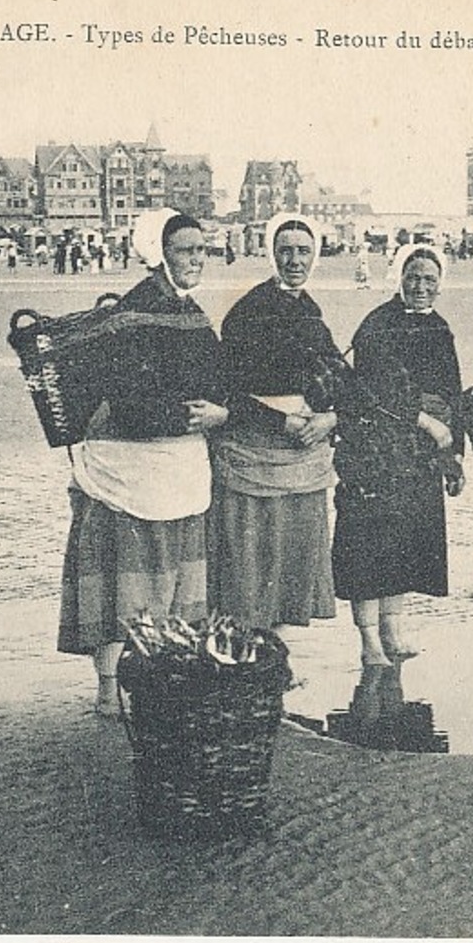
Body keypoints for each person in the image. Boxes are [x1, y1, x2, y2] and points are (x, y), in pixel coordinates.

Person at [58, 208, 229, 714]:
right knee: (124, 587)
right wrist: (192, 415)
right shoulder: (131, 312)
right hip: (127, 471)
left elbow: (220, 381)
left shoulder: (192, 312)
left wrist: (221, 411)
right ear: (159, 254)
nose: (196, 259)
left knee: (163, 584)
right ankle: (110, 690)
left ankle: (156, 681)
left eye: (201, 250)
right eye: (185, 250)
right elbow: (128, 400)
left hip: (178, 468)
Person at [331, 243, 465, 666]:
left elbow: (453, 395)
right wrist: (425, 421)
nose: (421, 286)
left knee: (405, 546)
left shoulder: (441, 328)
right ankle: (370, 641)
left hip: (421, 459)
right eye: (413, 277)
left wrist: (453, 457)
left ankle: (393, 629)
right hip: (377, 454)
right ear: (399, 278)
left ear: (441, 283)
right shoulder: (377, 324)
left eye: (429, 279)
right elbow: (371, 392)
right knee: (370, 546)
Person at [209, 213, 341, 633]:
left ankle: (272, 659)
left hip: (303, 456)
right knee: (251, 568)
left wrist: (329, 419)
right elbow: (227, 390)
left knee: (289, 567)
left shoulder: (311, 312)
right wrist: (279, 421)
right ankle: (247, 660)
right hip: (254, 454)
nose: (295, 260)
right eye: (286, 251)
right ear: (272, 253)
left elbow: (338, 377)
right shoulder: (249, 311)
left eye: (304, 251)